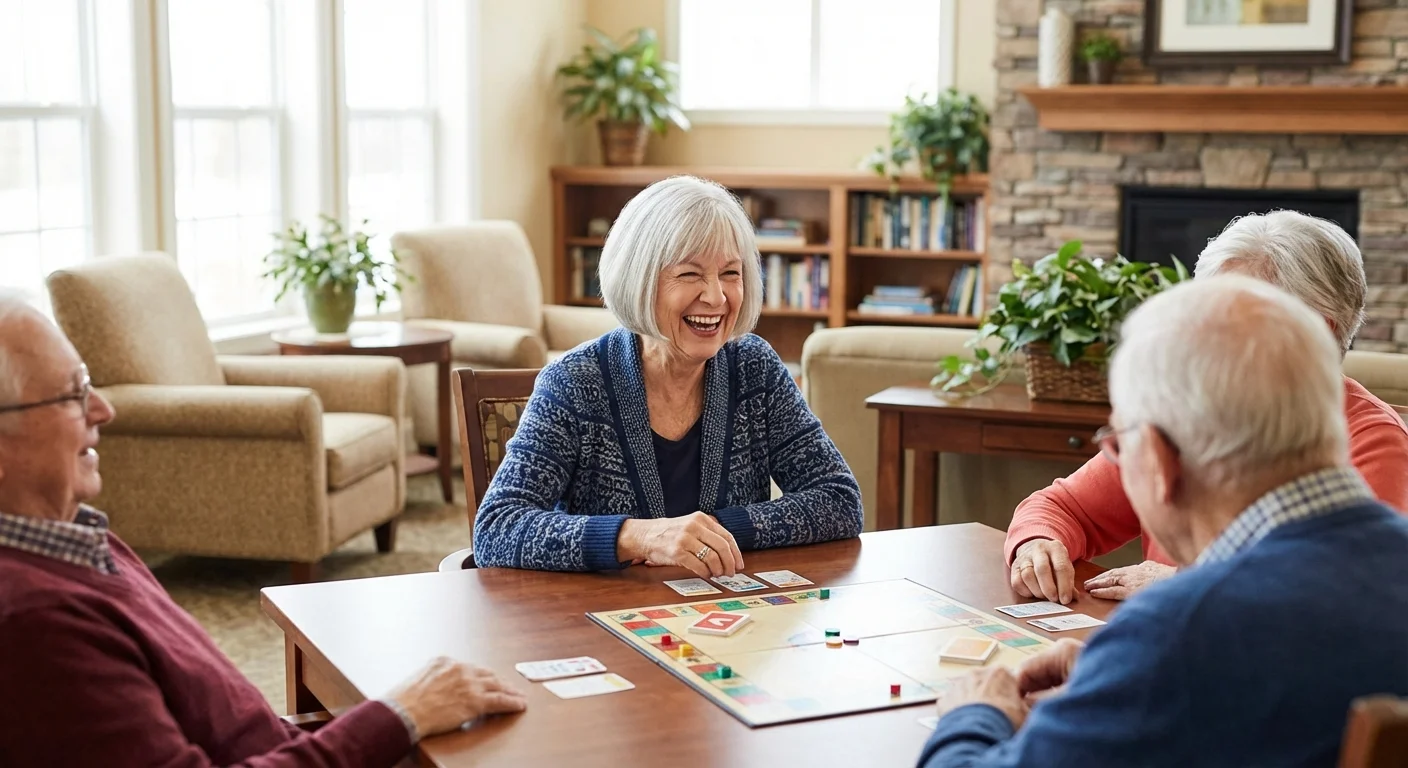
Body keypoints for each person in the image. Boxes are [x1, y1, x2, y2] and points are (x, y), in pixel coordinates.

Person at [0, 296, 527, 767]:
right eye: (72, 394)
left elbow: (220, 724)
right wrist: (396, 715)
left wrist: (397, 713)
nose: (103, 409)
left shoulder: (81, 538)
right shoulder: (34, 624)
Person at [918, 276, 1408, 767]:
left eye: (1119, 445)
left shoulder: (1182, 632)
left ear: (1157, 460)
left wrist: (974, 713)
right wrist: (1120, 676)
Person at [1006, 211, 1408, 604]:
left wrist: (1189, 581)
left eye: (1228, 316)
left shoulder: (1376, 442)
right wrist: (1037, 544)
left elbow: (1343, 597)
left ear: (1314, 334)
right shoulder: (1185, 412)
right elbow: (1063, 506)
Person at [474, 175, 863, 575]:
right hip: (602, 620)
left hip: (728, 618)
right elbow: (497, 529)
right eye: (690, 274)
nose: (715, 297)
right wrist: (638, 537)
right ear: (640, 280)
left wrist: (711, 532)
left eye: (730, 273)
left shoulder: (754, 368)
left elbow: (839, 501)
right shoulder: (575, 382)